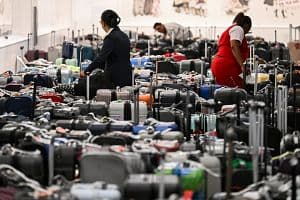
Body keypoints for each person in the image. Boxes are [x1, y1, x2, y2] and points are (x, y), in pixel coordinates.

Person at [81, 9, 132, 88]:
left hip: (116, 79)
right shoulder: (124, 35)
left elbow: (101, 58)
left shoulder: (111, 37)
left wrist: (86, 71)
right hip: (127, 76)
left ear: (103, 23)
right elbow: (115, 57)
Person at [211, 13, 252, 88]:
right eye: (248, 30)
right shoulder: (238, 29)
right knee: (235, 94)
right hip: (226, 66)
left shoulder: (231, 29)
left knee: (225, 94)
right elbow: (234, 46)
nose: (246, 33)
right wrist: (242, 65)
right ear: (246, 25)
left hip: (220, 64)